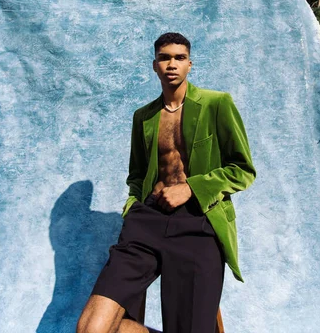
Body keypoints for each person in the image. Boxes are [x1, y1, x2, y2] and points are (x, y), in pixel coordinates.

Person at [77, 32, 256, 333]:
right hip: (147, 222)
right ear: (154, 65)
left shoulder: (216, 104)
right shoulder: (143, 116)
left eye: (179, 58)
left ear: (189, 64)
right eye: (164, 58)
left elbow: (242, 169)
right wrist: (133, 208)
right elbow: (136, 175)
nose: (171, 64)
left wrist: (191, 187)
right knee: (93, 328)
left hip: (197, 223)